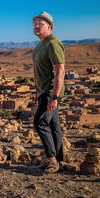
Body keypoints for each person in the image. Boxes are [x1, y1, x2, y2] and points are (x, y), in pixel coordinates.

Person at [32, 11, 65, 174]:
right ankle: (59, 159)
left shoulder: (53, 42)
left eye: (40, 23)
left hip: (51, 92)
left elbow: (60, 70)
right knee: (53, 125)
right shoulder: (41, 44)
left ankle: (51, 159)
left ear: (50, 27)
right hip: (44, 92)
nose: (36, 26)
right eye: (35, 23)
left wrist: (54, 96)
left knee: (40, 122)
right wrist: (38, 93)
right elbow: (41, 72)